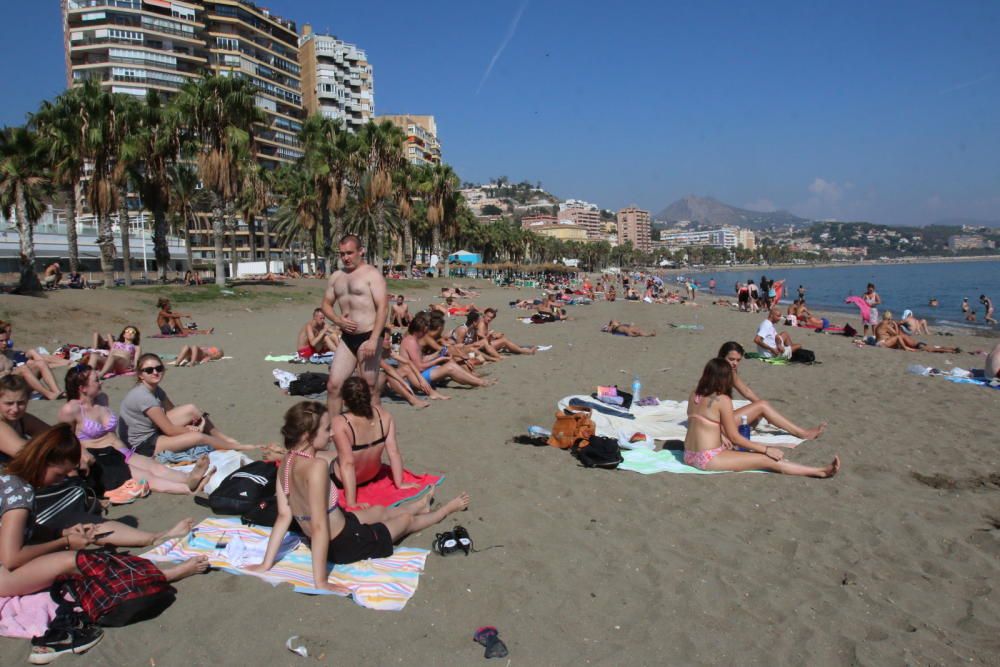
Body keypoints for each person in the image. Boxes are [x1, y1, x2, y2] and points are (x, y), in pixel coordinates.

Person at [246, 402, 469, 588]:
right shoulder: (316, 468)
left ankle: (419, 505)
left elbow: (284, 517)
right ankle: (446, 509)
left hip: (341, 526)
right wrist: (321, 581)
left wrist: (266, 564)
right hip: (345, 543)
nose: (332, 433)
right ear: (307, 435)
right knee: (405, 522)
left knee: (379, 511)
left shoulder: (287, 461)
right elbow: (319, 527)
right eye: (326, 429)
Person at [0, 423, 208, 599]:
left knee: (81, 553)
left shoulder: (13, 481)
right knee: (75, 560)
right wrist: (65, 542)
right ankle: (165, 575)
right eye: (58, 475)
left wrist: (60, 534)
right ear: (42, 462)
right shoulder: (20, 492)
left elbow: (22, 531)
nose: (60, 480)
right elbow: (11, 559)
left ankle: (154, 558)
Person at [58, 364, 213, 497]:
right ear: (82, 388)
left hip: (120, 451)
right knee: (147, 476)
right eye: (96, 380)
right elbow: (66, 440)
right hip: (102, 459)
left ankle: (189, 477)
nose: (101, 382)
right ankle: (188, 489)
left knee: (156, 467)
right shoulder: (70, 410)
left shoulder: (102, 399)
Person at [683, 359, 840, 476]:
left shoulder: (694, 394)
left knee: (746, 453)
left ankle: (819, 469)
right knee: (766, 460)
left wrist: (720, 436)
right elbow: (735, 437)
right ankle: (820, 471)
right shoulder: (722, 400)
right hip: (706, 458)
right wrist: (766, 450)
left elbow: (701, 424)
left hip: (688, 454)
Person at [119, 353, 255, 461]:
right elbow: (170, 430)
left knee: (191, 410)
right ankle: (235, 447)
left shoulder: (155, 389)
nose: (155, 372)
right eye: (149, 370)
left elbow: (172, 411)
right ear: (140, 375)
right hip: (143, 444)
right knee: (197, 437)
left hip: (154, 429)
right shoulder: (144, 396)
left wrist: (188, 424)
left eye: (159, 368)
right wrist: (189, 430)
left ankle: (223, 438)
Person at [322, 377, 423, 509]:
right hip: (372, 474)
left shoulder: (340, 422)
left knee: (319, 456)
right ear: (368, 396)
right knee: (335, 454)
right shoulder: (384, 415)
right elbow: (394, 453)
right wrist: (400, 483)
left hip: (344, 479)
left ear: (345, 401)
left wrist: (351, 502)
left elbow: (348, 463)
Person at [321, 235, 388, 415]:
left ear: (361, 251)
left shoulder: (372, 275)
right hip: (347, 337)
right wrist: (337, 320)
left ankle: (377, 427)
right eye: (342, 254)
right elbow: (325, 305)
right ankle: (334, 428)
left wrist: (374, 339)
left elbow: (383, 307)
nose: (346, 258)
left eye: (350, 253)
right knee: (334, 385)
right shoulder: (336, 277)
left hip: (368, 335)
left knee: (369, 387)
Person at [717, 342, 827, 441]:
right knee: (762, 406)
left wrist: (765, 409)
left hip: (722, 418)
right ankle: (803, 433)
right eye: (731, 359)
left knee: (759, 408)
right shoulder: (717, 374)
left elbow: (746, 391)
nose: (735, 363)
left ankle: (753, 423)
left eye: (738, 360)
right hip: (717, 425)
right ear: (722, 357)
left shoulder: (729, 372)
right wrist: (763, 407)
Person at [399, 313, 493, 389]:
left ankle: (475, 379)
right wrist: (439, 359)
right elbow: (419, 367)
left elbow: (422, 358)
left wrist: (439, 354)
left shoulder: (414, 339)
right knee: (451, 366)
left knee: (451, 359)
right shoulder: (412, 341)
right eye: (426, 326)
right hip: (414, 378)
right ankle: (479, 381)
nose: (427, 328)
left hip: (417, 373)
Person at [0, 322, 64, 401]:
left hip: (14, 384)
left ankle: (57, 391)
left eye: (6, 340)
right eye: (1, 341)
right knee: (23, 369)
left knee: (40, 363)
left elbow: (27, 360)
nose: (5, 343)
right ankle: (48, 394)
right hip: (3, 388)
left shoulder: (9, 353)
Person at [0, 375, 50, 464]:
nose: (15, 409)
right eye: (9, 403)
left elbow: (54, 435)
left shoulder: (22, 419)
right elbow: (25, 454)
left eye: (21, 403)